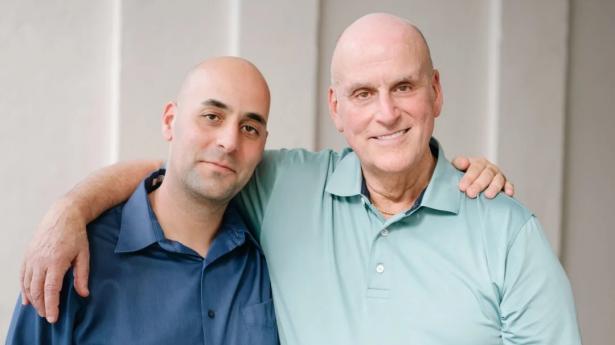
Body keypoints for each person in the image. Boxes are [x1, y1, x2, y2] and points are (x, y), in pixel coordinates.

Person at [18, 13, 570, 345]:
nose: (386, 113)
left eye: (404, 87)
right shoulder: (288, 187)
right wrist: (68, 209)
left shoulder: (506, 231)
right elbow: (192, 168)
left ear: (436, 93)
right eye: (362, 94)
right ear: (336, 108)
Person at [7, 57, 279, 344]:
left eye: (250, 128)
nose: (230, 142)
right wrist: (69, 207)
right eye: (212, 116)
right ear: (170, 121)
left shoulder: (270, 255)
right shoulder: (72, 257)